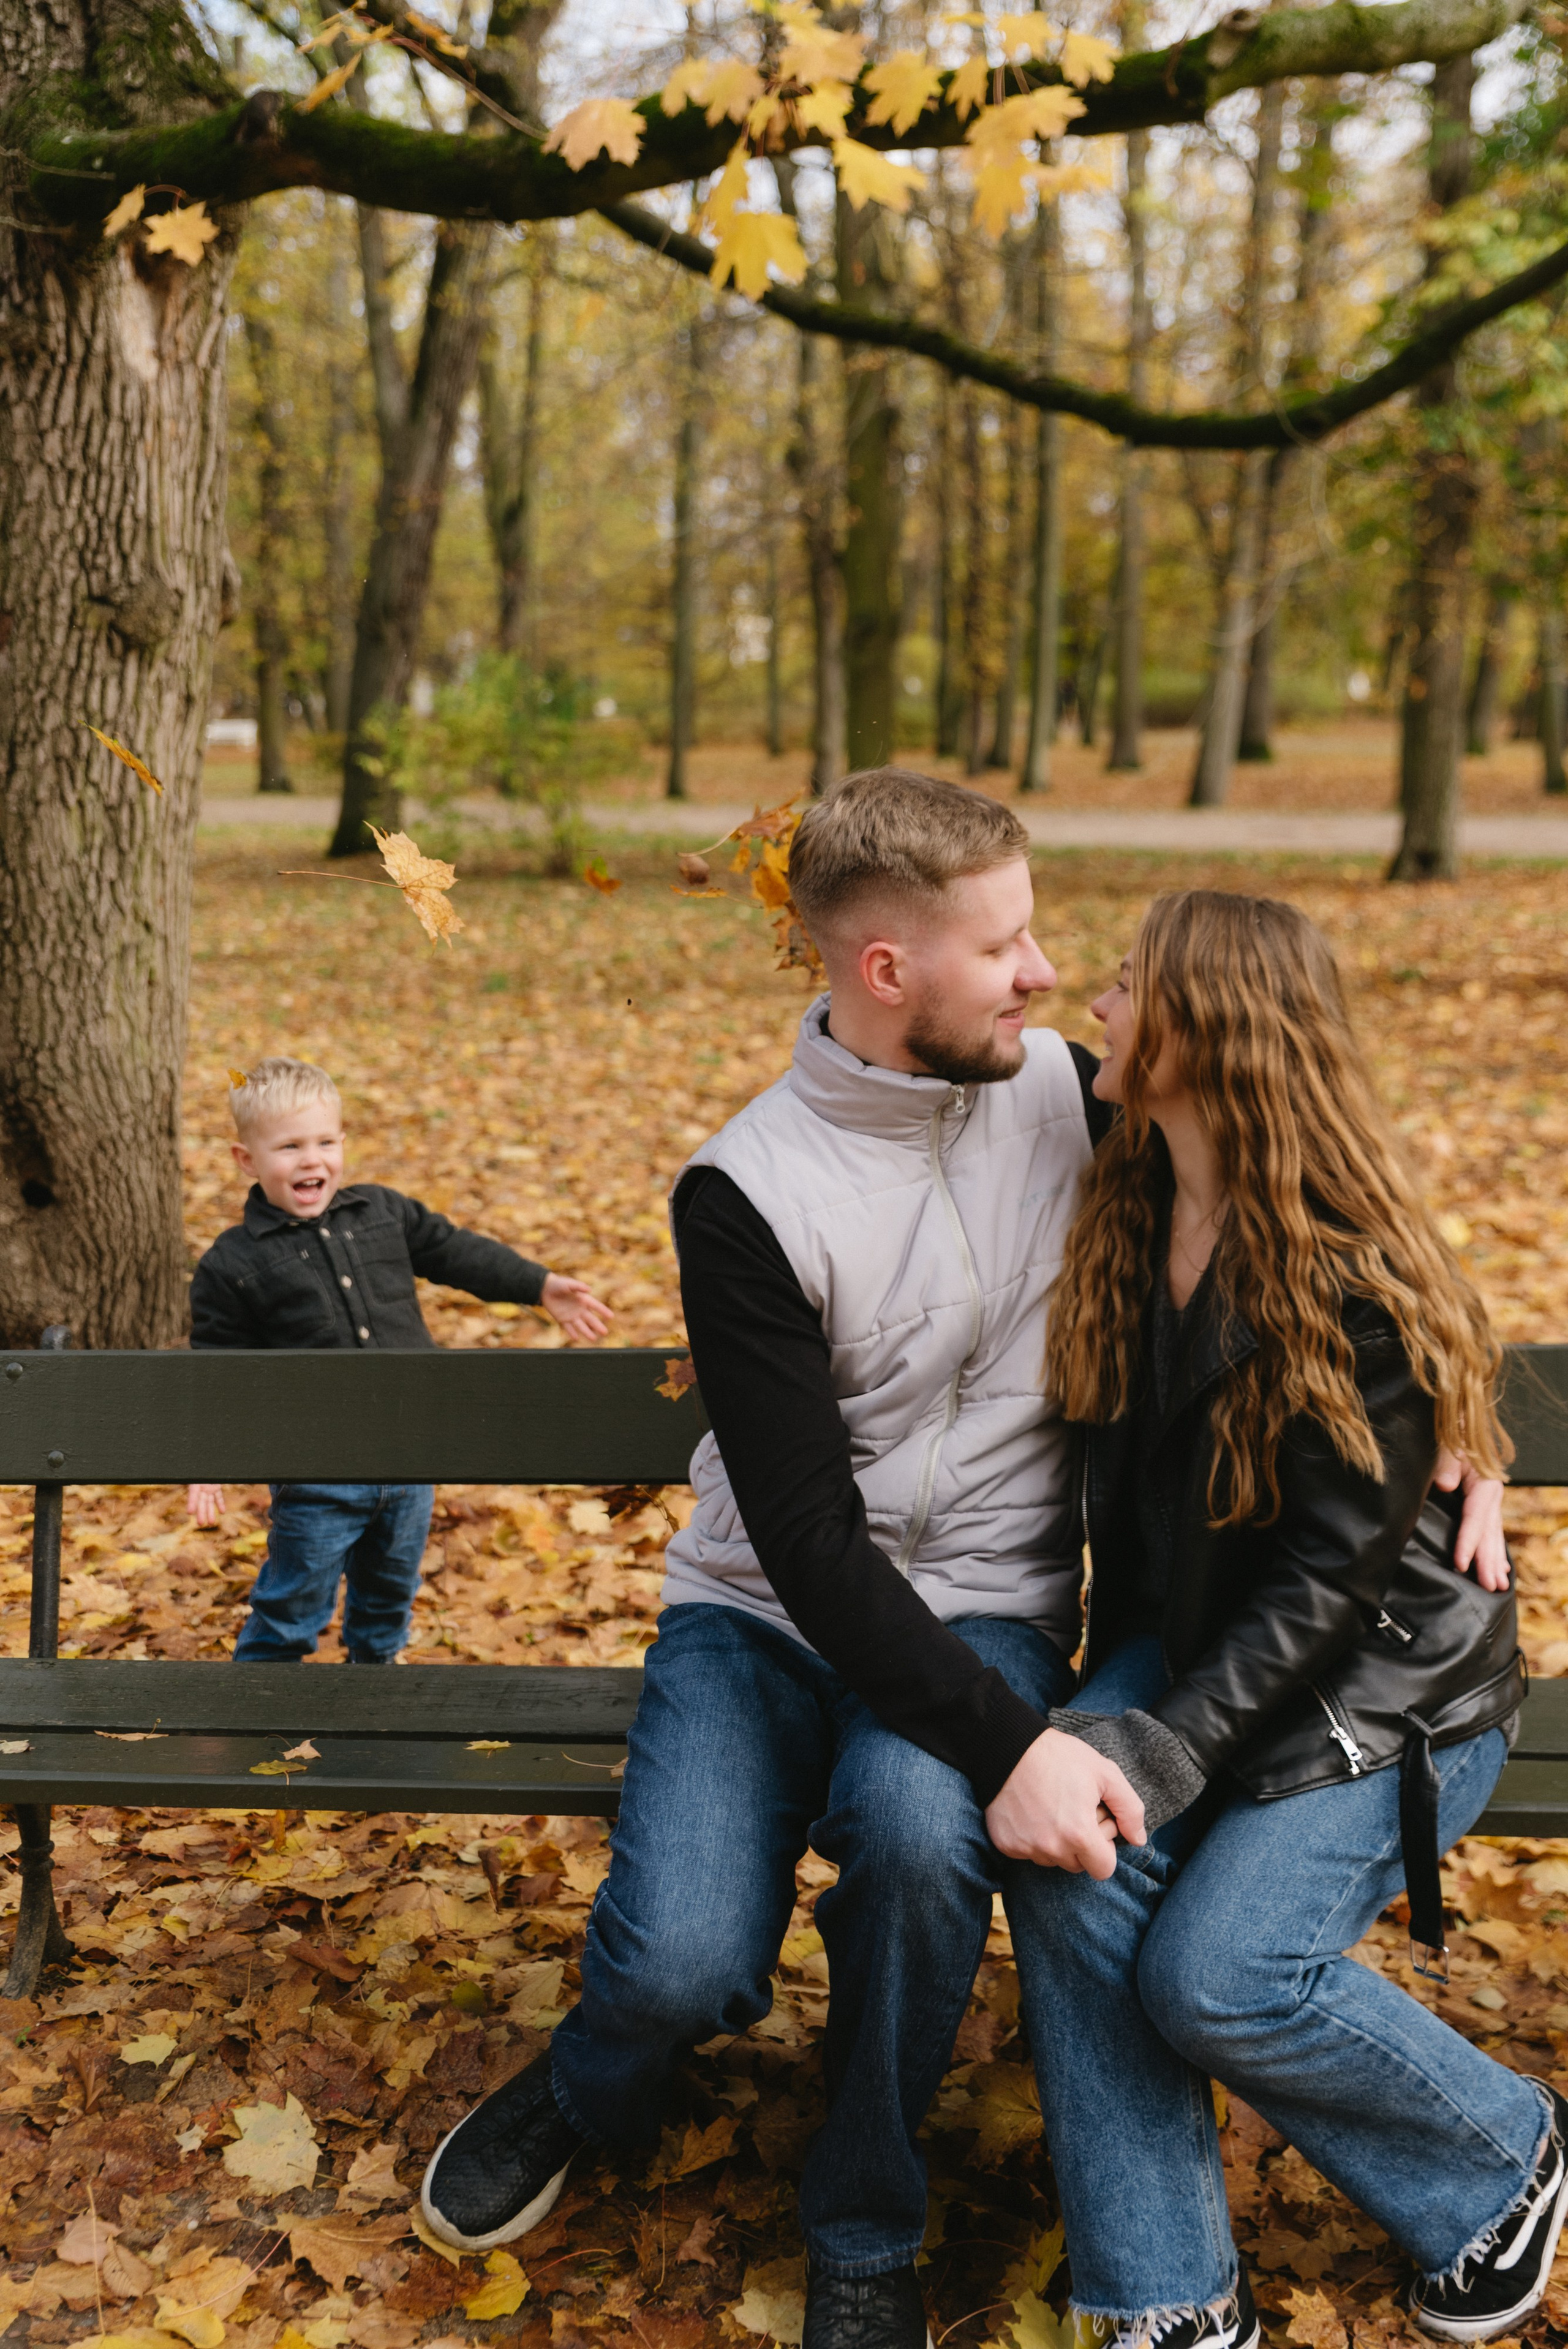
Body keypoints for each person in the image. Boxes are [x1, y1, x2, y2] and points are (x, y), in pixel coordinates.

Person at [420, 778, 1505, 2349]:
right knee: (674, 1961)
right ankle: (595, 2075)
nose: (1044, 973)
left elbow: (1317, 1181)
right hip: (765, 1613)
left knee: (929, 1851)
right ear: (883, 973)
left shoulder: (1069, 1092)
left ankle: (864, 2216)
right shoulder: (745, 1193)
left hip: (988, 1604)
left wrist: (1461, 1433)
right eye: (1002, 943)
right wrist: (1020, 1748)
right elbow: (802, 1541)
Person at [1003, 890, 1561, 2349]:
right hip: (1191, 1640)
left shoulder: (1347, 1268)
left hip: (1381, 1687)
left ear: (1200, 1028)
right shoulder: (1130, 1174)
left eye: (1124, 983)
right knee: (1066, 1845)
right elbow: (925, 1032)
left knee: (1218, 1971)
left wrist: (1159, 1750)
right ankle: (1167, 2295)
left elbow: (1327, 1588)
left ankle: (1501, 2149)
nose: (1093, 1003)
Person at [186, 1057, 611, 1664]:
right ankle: (258, 1718)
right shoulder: (233, 1263)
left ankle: (376, 1711)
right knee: (290, 1610)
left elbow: (455, 1251)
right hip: (317, 1476)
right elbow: (217, 1369)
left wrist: (538, 1285)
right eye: (289, 1147)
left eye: (325, 1142)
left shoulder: (380, 1213)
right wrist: (208, 1458)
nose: (312, 1160)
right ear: (246, 1161)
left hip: (411, 1462)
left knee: (387, 1606)